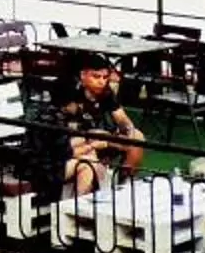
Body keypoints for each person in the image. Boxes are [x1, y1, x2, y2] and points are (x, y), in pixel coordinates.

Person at [59, 58, 144, 194]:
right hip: (78, 140)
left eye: (105, 77)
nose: (101, 81)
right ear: (83, 75)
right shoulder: (70, 92)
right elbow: (68, 129)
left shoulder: (106, 93)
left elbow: (123, 120)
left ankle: (124, 182)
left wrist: (129, 131)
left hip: (102, 137)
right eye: (96, 76)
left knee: (138, 138)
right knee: (95, 138)